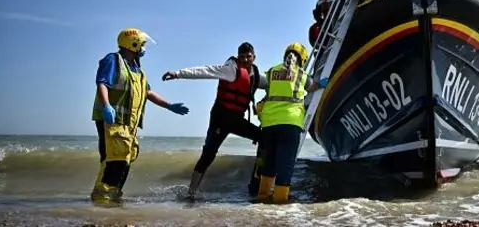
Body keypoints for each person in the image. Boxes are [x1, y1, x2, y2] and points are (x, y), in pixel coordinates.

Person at [91, 28, 189, 203]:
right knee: (112, 159)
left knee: (126, 157)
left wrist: (169, 106)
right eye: (142, 44)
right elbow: (102, 83)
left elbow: (147, 92)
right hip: (112, 120)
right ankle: (101, 198)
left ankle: (113, 195)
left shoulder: (138, 69)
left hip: (129, 124)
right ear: (132, 43)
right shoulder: (113, 60)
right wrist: (106, 106)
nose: (144, 47)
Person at [161, 42, 267, 200]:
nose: (245, 60)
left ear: (254, 57)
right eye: (242, 57)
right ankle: (191, 193)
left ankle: (256, 182)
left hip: (237, 120)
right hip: (220, 118)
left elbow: (273, 84)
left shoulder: (256, 75)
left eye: (248, 57)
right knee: (208, 155)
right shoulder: (230, 70)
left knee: (263, 138)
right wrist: (178, 74)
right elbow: (205, 71)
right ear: (238, 57)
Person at [256, 42, 329, 203]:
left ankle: (263, 197)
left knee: (269, 164)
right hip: (290, 122)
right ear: (302, 59)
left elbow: (267, 87)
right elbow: (312, 87)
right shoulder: (302, 75)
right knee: (285, 166)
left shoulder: (272, 71)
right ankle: (280, 202)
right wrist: (322, 84)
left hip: (268, 123)